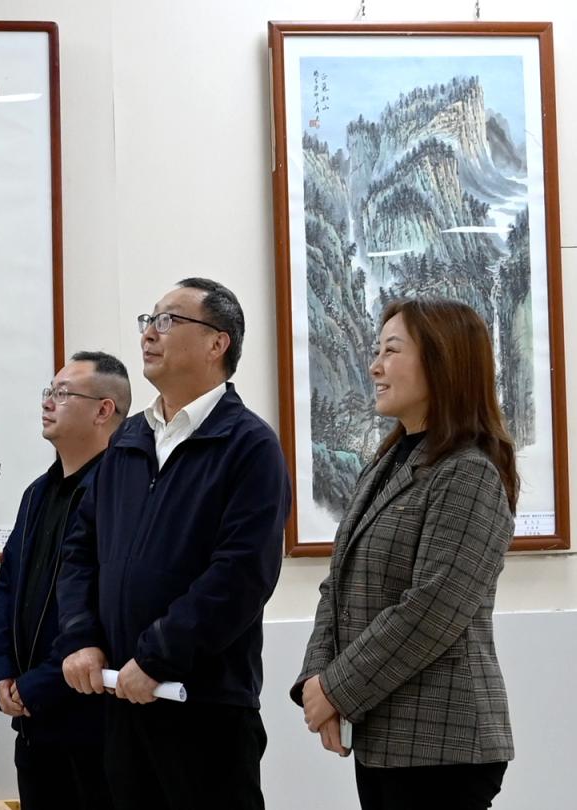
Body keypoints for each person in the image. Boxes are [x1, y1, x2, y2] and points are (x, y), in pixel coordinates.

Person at [57, 278, 292, 809]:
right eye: (148, 320)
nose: (148, 334)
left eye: (167, 320)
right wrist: (80, 638)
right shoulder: (128, 440)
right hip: (122, 697)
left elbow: (241, 576)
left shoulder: (249, 445)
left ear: (217, 343)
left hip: (201, 705)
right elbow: (79, 552)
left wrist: (158, 658)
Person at [290, 297, 516, 810]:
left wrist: (338, 689)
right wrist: (317, 680)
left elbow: (433, 609)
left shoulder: (469, 471)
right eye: (377, 351)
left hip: (444, 744)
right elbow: (338, 583)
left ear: (442, 361)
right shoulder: (388, 461)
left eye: (391, 351)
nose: (375, 367)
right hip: (385, 735)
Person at [0, 351, 131, 810]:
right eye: (48, 391)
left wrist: (39, 685)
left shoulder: (122, 493)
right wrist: (2, 673)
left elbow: (108, 607)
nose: (48, 402)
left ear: (104, 410)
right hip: (33, 720)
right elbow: (7, 589)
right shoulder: (37, 493)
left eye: (63, 393)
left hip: (94, 719)